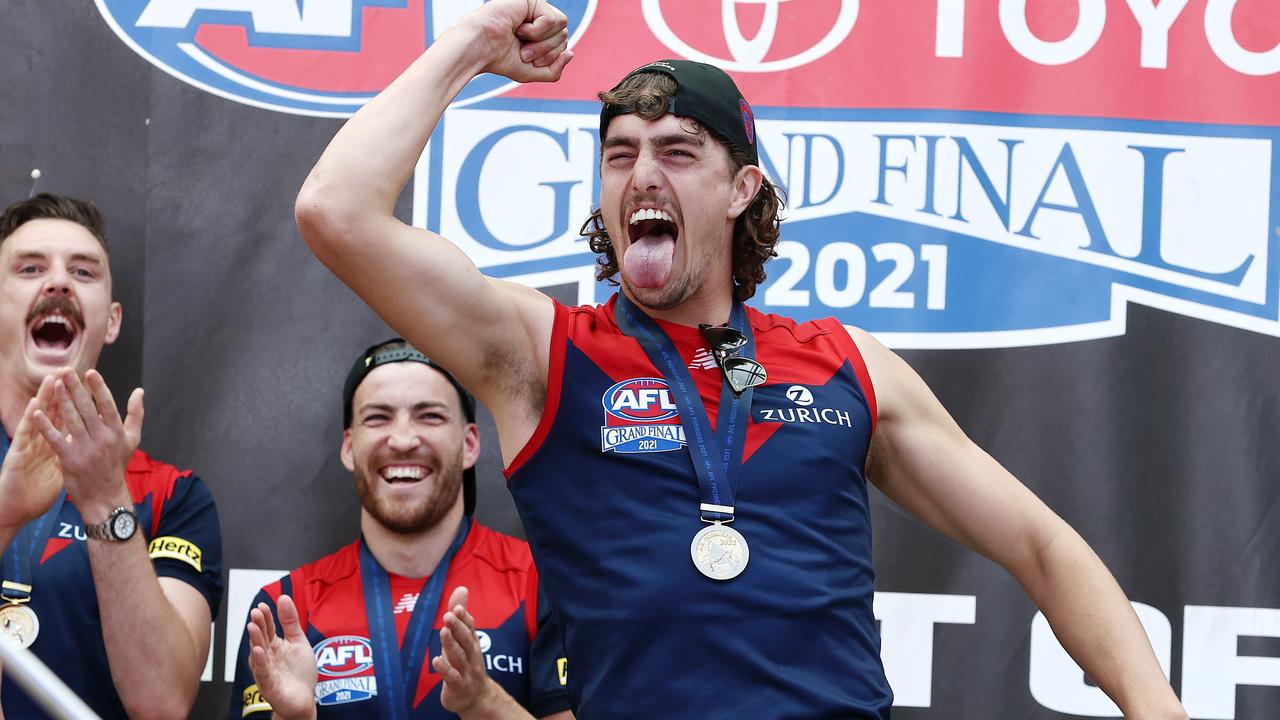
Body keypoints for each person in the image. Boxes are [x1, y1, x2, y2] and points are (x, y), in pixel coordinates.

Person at [291, 2, 1190, 718]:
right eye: (619, 156)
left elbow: (1042, 545)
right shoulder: (541, 353)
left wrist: (1155, 707)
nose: (642, 175)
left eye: (677, 152)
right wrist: (472, 43)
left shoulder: (847, 362)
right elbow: (336, 210)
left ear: (741, 189)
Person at [230, 339, 572, 720]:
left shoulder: (542, 583)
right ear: (348, 447)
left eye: (430, 416)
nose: (404, 440)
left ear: (470, 443)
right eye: (378, 418)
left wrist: (484, 702)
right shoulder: (288, 606)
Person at [0, 193, 223, 718]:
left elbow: (162, 702)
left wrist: (104, 503)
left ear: (113, 319)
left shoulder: (174, 495)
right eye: (31, 268)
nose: (58, 283)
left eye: (84, 271)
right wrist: (5, 517)